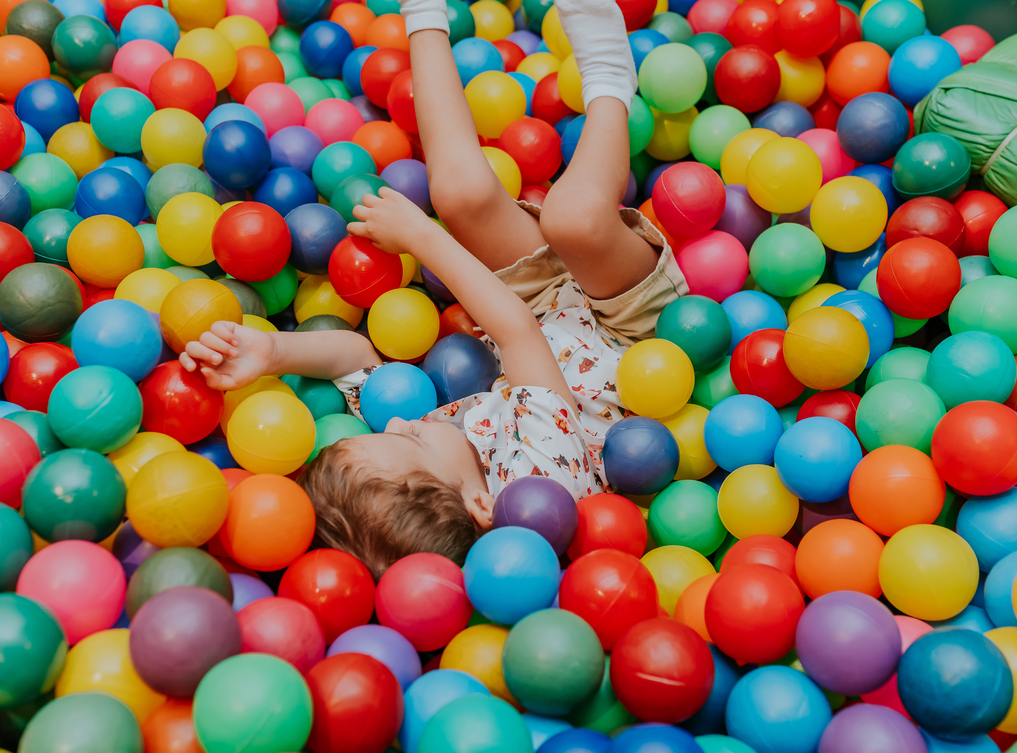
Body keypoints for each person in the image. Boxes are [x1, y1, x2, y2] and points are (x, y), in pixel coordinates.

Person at [179, 0, 687, 576]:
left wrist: (272, 352)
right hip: (635, 329)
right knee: (573, 220)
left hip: (548, 307)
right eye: (410, 442)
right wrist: (422, 238)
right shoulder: (542, 486)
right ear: (477, 504)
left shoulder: (434, 439)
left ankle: (423, 12)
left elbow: (353, 357)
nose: (399, 422)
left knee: (460, 194)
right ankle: (610, 82)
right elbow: (514, 332)